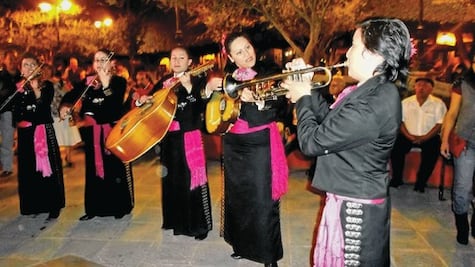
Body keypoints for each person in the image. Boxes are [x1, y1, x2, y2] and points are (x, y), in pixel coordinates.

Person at [282, 18, 412, 266]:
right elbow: (332, 121)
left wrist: (301, 98)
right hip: (350, 195)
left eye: (353, 45)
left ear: (373, 54)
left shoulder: (373, 103)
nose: (347, 53)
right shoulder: (370, 90)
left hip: (357, 208)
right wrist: (306, 86)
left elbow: (312, 142)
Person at [206, 32, 288, 267]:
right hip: (233, 144)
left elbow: (279, 105)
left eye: (248, 47)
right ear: (231, 57)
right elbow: (212, 103)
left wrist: (259, 100)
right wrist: (215, 87)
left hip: (260, 143)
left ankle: (268, 255)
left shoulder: (269, 70)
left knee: (263, 200)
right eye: (239, 52)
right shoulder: (229, 77)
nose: (247, 54)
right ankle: (242, 245)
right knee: (238, 198)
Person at [137, 47, 212, 240]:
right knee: (171, 181)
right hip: (169, 138)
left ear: (189, 62)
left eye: (181, 57)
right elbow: (151, 101)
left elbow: (200, 105)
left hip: (189, 137)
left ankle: (198, 226)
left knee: (192, 180)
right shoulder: (164, 82)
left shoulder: (197, 80)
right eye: (173, 58)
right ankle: (174, 221)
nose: (177, 61)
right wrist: (143, 100)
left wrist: (187, 88)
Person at [59, 49, 134, 221]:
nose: (99, 63)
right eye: (96, 60)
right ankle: (94, 208)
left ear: (111, 63)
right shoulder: (87, 82)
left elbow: (113, 103)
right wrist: (65, 105)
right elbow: (71, 95)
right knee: (93, 170)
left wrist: (105, 83)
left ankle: (119, 206)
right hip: (92, 133)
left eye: (103, 60)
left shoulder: (118, 82)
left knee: (115, 169)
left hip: (112, 131)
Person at [11, 53, 65, 220]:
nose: (27, 68)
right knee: (29, 170)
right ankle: (33, 204)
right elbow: (17, 112)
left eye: (30, 64)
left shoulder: (46, 86)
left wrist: (34, 89)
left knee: (48, 170)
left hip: (42, 132)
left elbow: (43, 106)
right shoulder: (18, 88)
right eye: (24, 65)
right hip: (26, 134)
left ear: (37, 68)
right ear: (21, 70)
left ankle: (53, 205)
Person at [440, 52, 475, 245]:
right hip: (466, 142)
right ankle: (462, 225)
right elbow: (452, 113)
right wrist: (445, 140)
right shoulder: (462, 83)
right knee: (462, 187)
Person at [389, 76, 447, 192]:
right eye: (419, 85)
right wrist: (408, 136)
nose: (422, 88)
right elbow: (400, 121)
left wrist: (425, 137)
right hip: (408, 135)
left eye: (425, 86)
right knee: (395, 147)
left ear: (431, 89)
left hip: (429, 137)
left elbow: (439, 125)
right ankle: (397, 179)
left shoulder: (438, 104)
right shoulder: (406, 103)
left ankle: (421, 183)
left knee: (432, 151)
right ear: (414, 87)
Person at [50, 70, 82, 167]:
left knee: (66, 137)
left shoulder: (61, 84)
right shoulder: (47, 84)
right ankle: (63, 157)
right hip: (55, 113)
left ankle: (67, 157)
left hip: (62, 112)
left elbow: (70, 94)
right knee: (62, 137)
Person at [0, 50, 21, 178]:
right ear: (5, 60)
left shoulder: (20, 77)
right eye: (10, 59)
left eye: (14, 59)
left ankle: (7, 167)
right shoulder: (1, 75)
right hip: (2, 108)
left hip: (10, 112)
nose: (12, 61)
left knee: (7, 140)